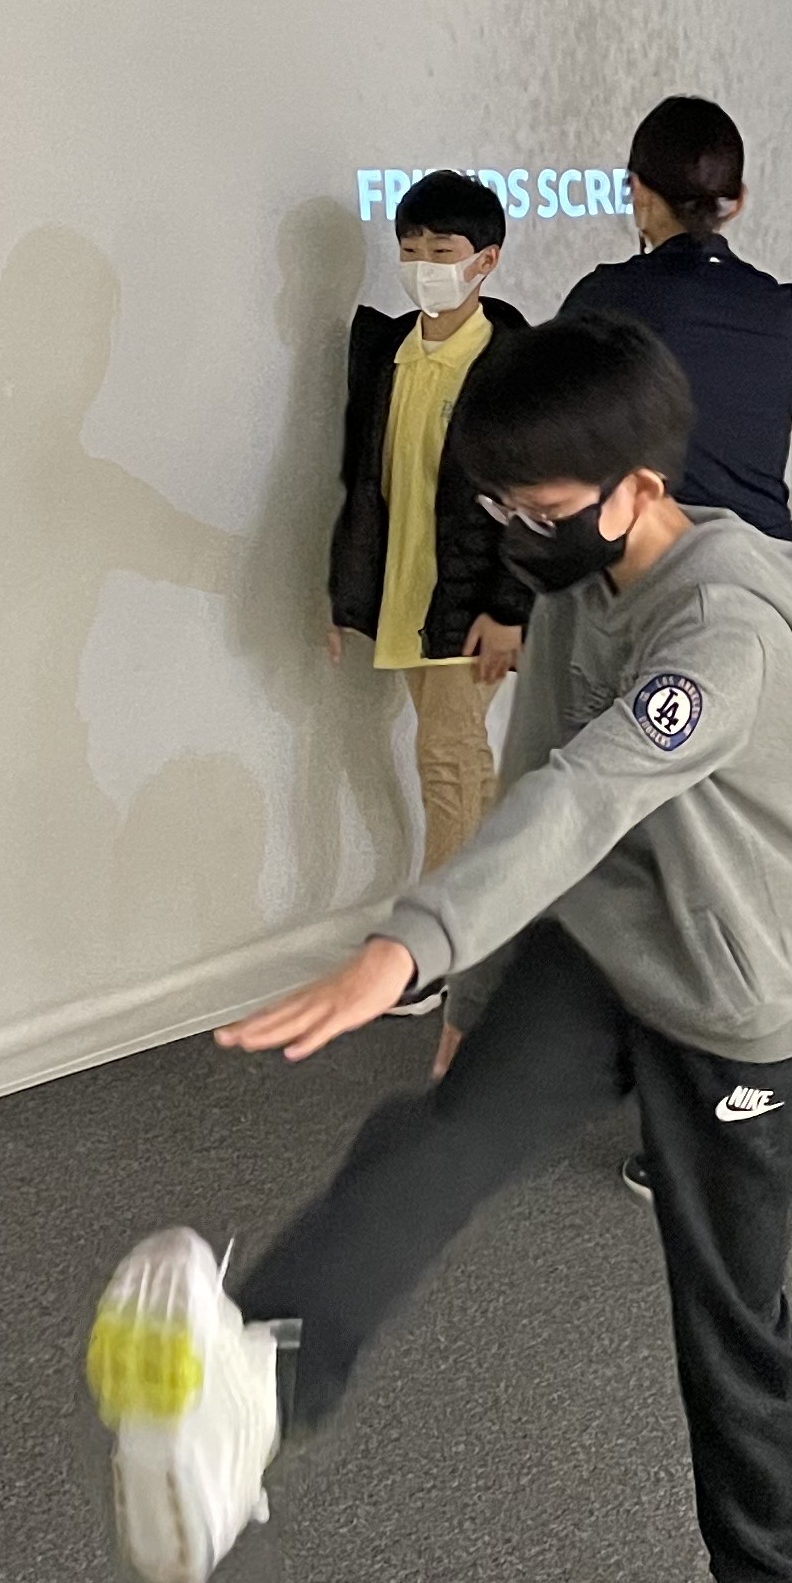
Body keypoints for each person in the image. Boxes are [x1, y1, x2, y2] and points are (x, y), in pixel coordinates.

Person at [86, 311, 792, 1583]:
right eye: (500, 509)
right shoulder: (576, 588)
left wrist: (406, 946)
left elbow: (594, 790)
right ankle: (252, 1385)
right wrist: (474, 1000)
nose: (517, 537)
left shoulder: (727, 628)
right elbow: (532, 781)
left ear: (639, 485)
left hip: (735, 989)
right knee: (434, 1140)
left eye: (540, 511)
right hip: (597, 951)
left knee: (729, 1308)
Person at [325, 171, 531, 1018]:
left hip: (474, 600)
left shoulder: (512, 362)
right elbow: (362, 482)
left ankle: (437, 947)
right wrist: (345, 597)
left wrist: (509, 609)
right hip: (406, 593)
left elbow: (532, 501)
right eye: (410, 249)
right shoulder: (388, 352)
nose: (422, 266)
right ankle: (497, 917)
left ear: (486, 260)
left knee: (448, 760)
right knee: (458, 763)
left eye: (441, 250)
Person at [563, 95, 792, 540]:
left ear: (638, 191)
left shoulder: (601, 300)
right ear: (737, 201)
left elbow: (538, 410)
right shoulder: (781, 310)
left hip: (649, 561)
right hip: (764, 565)